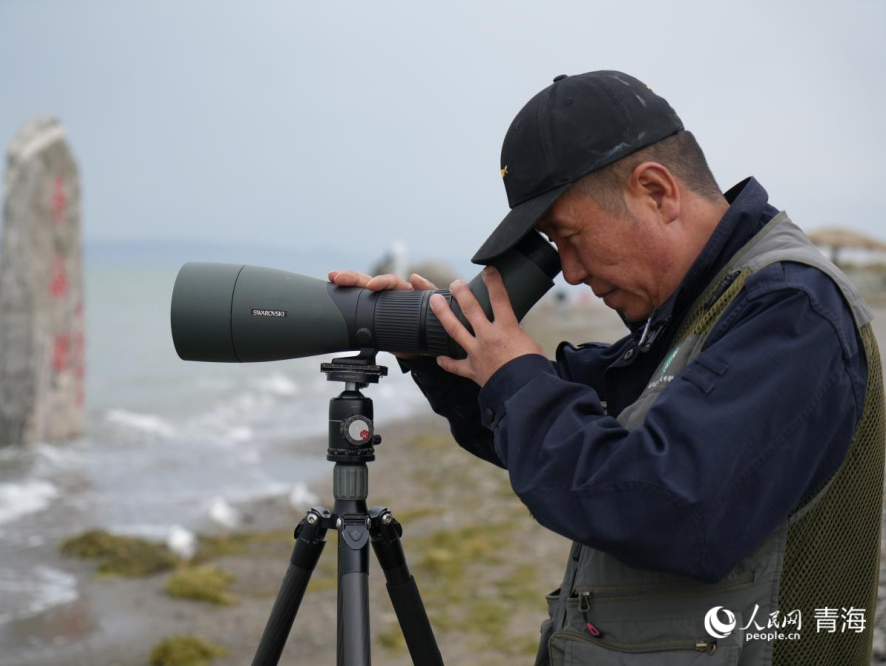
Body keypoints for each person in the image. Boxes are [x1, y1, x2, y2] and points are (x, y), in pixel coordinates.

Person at [329, 70, 883, 665]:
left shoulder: (793, 310)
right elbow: (579, 422)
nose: (569, 272)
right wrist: (440, 351)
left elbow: (668, 506)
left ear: (657, 191)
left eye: (569, 237)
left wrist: (518, 377)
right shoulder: (697, 313)